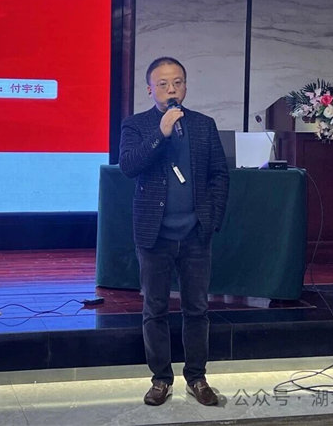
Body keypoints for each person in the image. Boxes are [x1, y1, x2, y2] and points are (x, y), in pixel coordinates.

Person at [119, 57, 229, 406]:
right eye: (163, 84)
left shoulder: (203, 125)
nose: (171, 90)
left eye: (177, 83)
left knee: (197, 309)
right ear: (149, 89)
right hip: (154, 234)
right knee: (155, 309)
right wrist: (161, 132)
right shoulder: (136, 125)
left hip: (195, 234)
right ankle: (160, 379)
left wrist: (211, 219)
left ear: (185, 86)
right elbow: (128, 166)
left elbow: (219, 174)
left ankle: (197, 377)